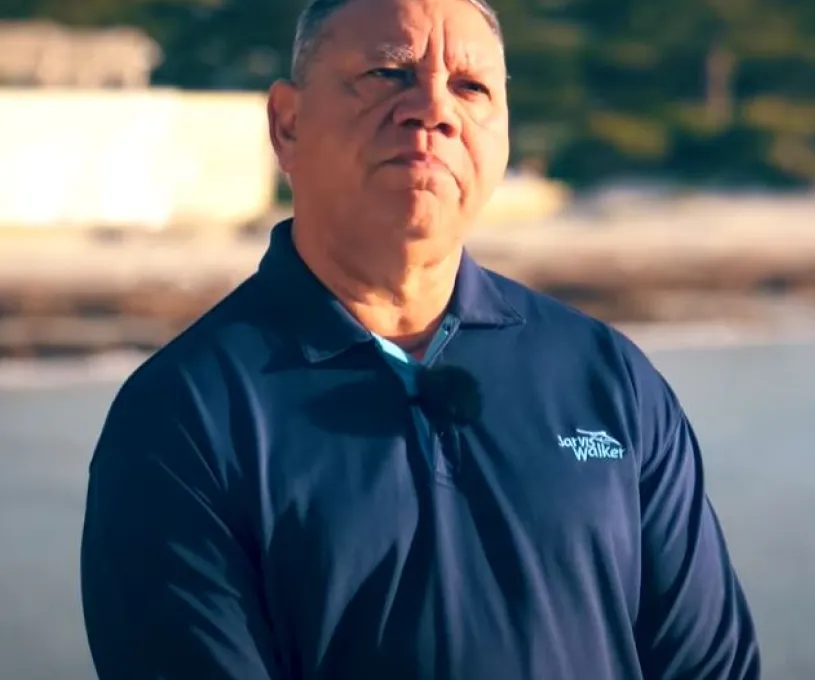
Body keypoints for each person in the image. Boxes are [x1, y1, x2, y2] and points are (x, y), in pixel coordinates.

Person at [78, 0, 761, 677]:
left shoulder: (609, 378)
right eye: (387, 74)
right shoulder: (182, 419)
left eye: (471, 87)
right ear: (288, 124)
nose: (433, 109)